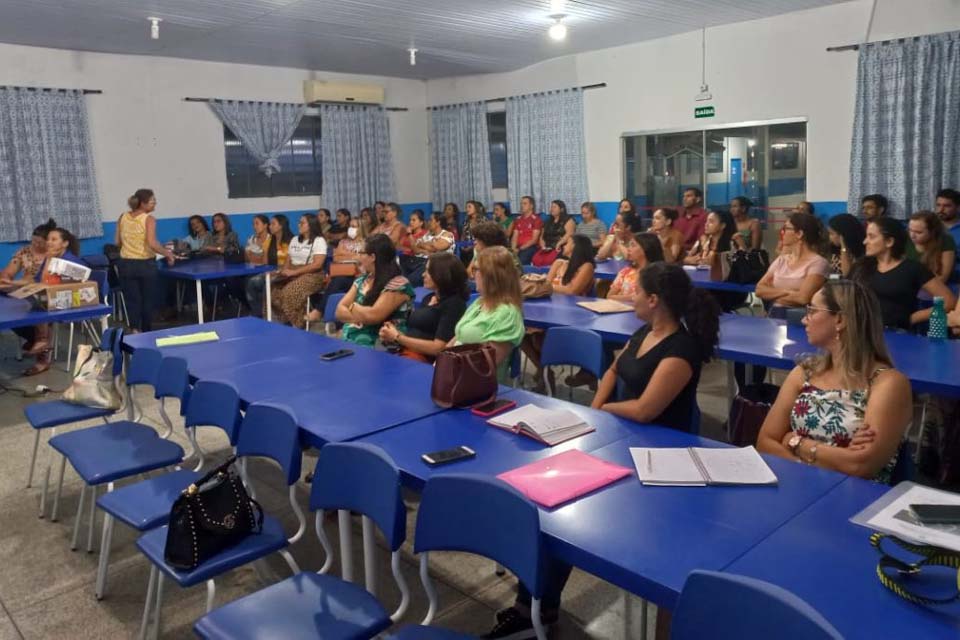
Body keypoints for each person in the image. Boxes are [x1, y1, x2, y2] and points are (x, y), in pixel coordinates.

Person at [487, 263, 721, 640]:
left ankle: (538, 606)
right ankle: (535, 607)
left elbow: (646, 409)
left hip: (657, 452)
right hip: (618, 436)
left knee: (570, 507)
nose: (630, 296)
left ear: (654, 300)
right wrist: (595, 407)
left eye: (636, 292)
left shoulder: (681, 349)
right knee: (552, 508)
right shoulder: (646, 330)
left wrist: (604, 411)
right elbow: (614, 369)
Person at [757, 279, 911, 483]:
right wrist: (827, 460)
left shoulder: (888, 384)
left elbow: (859, 465)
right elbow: (764, 442)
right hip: (797, 487)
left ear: (840, 320)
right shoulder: (805, 372)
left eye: (812, 310)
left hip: (856, 501)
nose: (804, 319)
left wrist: (794, 442)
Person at [521, 235, 596, 391]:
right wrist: (549, 288)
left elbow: (572, 290)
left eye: (568, 243)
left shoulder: (586, 267)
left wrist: (550, 288)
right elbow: (545, 286)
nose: (563, 245)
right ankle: (544, 372)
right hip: (549, 309)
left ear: (576, 247)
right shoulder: (559, 262)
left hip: (573, 316)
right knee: (520, 333)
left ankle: (545, 374)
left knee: (539, 339)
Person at [853, 217, 956, 330]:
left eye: (871, 236)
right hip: (863, 330)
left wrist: (913, 318)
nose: (865, 241)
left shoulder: (912, 269)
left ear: (889, 242)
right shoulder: (862, 266)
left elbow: (949, 301)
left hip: (896, 333)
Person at [448, 245, 525, 379]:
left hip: (475, 384)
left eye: (476, 269)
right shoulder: (479, 303)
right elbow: (457, 337)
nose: (472, 275)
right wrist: (441, 361)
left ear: (491, 276)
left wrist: (447, 369)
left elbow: (486, 365)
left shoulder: (507, 314)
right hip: (454, 373)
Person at [17, 225, 84, 375]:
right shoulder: (51, 259)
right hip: (51, 299)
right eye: (48, 239)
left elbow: (74, 286)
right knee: (19, 305)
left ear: (65, 243)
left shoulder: (71, 261)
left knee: (39, 304)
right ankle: (36, 340)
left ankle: (41, 345)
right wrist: (12, 285)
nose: (49, 242)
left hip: (74, 300)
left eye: (54, 239)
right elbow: (39, 281)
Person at [379, 252, 469, 362]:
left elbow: (438, 348)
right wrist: (392, 333)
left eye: (428, 271)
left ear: (442, 274)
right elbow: (417, 332)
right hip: (407, 351)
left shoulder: (454, 304)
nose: (423, 275)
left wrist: (398, 337)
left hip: (424, 360)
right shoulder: (429, 297)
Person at [337, 233, 415, 346]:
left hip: (379, 344)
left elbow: (373, 316)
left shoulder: (398, 284)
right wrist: (361, 315)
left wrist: (352, 306)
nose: (358, 257)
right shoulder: (362, 280)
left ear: (372, 257)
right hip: (351, 340)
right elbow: (339, 311)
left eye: (361, 253)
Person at [115, 189, 174, 333]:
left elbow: (117, 242)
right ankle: (146, 331)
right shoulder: (149, 219)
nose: (155, 204)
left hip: (126, 264)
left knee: (132, 300)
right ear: (143, 203)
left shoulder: (123, 216)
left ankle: (135, 329)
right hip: (145, 265)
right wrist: (168, 254)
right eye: (153, 201)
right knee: (147, 300)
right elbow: (152, 243)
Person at [755, 212, 830, 314]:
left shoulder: (818, 263)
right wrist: (787, 292)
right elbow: (759, 290)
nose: (782, 232)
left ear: (799, 234)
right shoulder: (781, 260)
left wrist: (773, 295)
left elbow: (803, 298)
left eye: (786, 228)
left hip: (801, 317)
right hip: (775, 313)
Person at [269, 214, 327, 329]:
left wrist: (294, 273)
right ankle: (282, 322)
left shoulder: (319, 241)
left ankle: (298, 324)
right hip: (293, 272)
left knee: (289, 293)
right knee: (271, 289)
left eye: (302, 223)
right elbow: (288, 260)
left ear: (311, 225)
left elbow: (317, 264)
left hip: (312, 275)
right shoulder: (295, 239)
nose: (299, 225)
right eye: (299, 222)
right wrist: (282, 272)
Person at [247, 214, 292, 318]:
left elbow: (291, 263)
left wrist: (277, 272)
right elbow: (265, 262)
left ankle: (269, 315)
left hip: (286, 273)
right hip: (272, 271)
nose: (270, 226)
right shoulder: (270, 241)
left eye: (273, 224)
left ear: (281, 226)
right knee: (251, 283)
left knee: (266, 286)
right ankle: (258, 313)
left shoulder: (291, 241)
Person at [607, 233, 664, 303]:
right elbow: (609, 296)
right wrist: (631, 297)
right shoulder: (625, 272)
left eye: (633, 245)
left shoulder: (657, 275)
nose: (628, 249)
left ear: (645, 248)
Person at [1, 218, 55, 286]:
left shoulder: (55, 253)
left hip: (47, 287)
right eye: (34, 240)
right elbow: (9, 271)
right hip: (25, 287)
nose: (36, 244)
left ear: (48, 242)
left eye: (40, 243)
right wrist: (6, 277)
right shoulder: (24, 252)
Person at [907, 210, 956, 283]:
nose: (912, 235)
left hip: (934, 286)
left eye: (919, 232)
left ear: (932, 232)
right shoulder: (905, 238)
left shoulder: (946, 241)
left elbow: (942, 278)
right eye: (910, 230)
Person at [511, 195, 543, 265]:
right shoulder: (518, 219)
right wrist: (513, 249)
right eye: (521, 204)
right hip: (518, 248)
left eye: (525, 203)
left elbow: (534, 240)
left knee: (520, 261)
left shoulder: (536, 220)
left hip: (530, 247)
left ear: (531, 206)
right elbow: (515, 236)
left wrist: (520, 249)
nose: (522, 206)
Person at [675, 187, 708, 252]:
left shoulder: (704, 216)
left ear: (698, 199)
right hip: (676, 251)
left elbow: (701, 240)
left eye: (688, 196)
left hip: (693, 253)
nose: (684, 199)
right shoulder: (678, 216)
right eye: (684, 196)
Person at [461, 200, 486, 266]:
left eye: (469, 207)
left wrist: (472, 246)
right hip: (466, 248)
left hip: (478, 248)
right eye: (466, 207)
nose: (467, 209)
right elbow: (463, 234)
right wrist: (462, 245)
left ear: (476, 208)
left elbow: (484, 237)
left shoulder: (483, 220)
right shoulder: (466, 221)